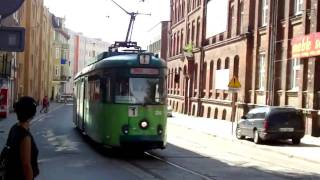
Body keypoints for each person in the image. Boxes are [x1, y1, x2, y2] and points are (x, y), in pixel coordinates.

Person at [5, 96, 39, 180]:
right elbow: (26, 165)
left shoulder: (14, 128)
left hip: (10, 175)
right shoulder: (25, 136)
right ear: (32, 114)